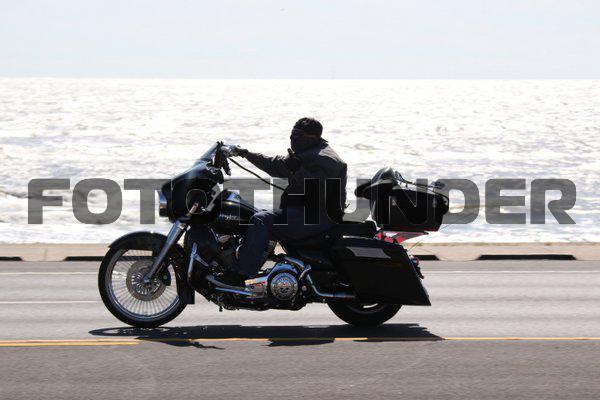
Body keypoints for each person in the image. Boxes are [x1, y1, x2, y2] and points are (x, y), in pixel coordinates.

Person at [219, 117, 347, 286]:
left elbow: (321, 190)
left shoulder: (327, 159)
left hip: (318, 216)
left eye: (298, 135)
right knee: (253, 213)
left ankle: (241, 274)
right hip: (305, 212)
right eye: (292, 134)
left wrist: (298, 170)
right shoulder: (306, 153)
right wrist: (244, 153)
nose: (293, 138)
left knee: (261, 220)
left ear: (314, 137)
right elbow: (275, 165)